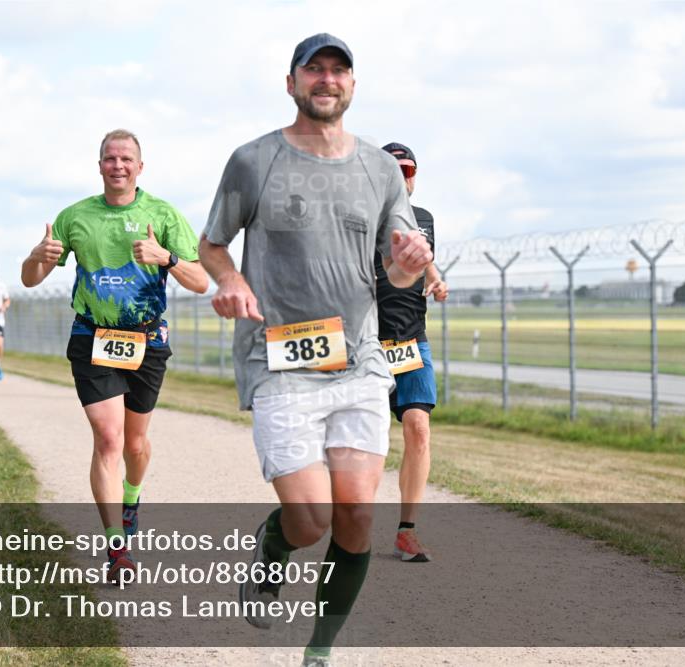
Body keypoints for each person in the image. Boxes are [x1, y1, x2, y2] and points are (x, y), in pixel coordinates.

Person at [199, 34, 432, 667]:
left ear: (352, 86)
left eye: (339, 71)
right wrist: (231, 279)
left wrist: (412, 263)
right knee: (311, 520)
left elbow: (400, 269)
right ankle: (273, 549)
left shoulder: (380, 169)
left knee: (355, 517)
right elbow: (212, 243)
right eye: (315, 69)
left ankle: (319, 651)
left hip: (358, 362)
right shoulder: (253, 161)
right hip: (280, 362)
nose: (326, 79)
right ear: (292, 82)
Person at [21, 128, 208, 580]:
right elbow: (30, 279)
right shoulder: (75, 217)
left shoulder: (163, 214)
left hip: (147, 340)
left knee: (136, 445)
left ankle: (131, 495)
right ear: (99, 165)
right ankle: (116, 548)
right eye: (110, 158)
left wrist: (166, 258)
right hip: (92, 338)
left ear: (140, 167)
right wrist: (37, 255)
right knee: (108, 439)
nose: (118, 166)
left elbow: (201, 281)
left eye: (126, 159)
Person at [373, 142, 448, 563]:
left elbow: (426, 261)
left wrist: (436, 280)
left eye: (409, 171)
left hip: (411, 341)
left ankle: (406, 531)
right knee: (362, 440)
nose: (403, 178)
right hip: (366, 342)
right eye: (394, 170)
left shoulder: (424, 220)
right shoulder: (360, 219)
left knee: (418, 427)